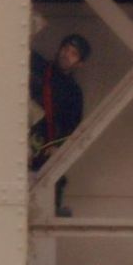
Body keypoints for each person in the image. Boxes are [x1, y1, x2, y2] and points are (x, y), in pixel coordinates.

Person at [29, 33, 90, 216]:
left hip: (45, 147)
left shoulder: (73, 92)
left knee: (51, 184)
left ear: (80, 64)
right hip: (21, 138)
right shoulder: (38, 66)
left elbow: (73, 127)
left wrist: (57, 147)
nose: (66, 54)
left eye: (73, 54)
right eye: (65, 49)